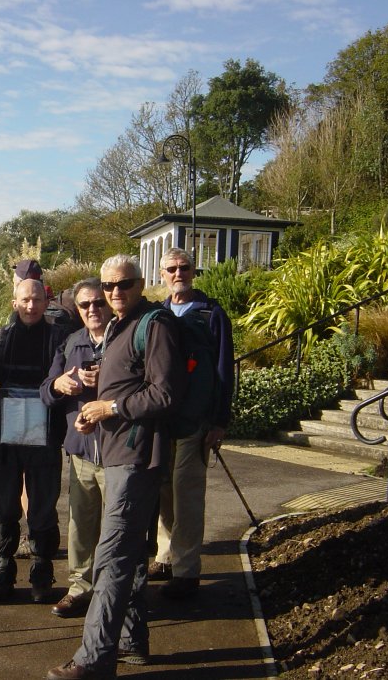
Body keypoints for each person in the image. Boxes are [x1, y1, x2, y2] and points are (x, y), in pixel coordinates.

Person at [48, 254, 187, 679]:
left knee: (111, 558)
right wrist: (93, 416)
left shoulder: (156, 325)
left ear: (141, 283)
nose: (114, 293)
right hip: (115, 451)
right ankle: (130, 642)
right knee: (125, 555)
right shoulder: (117, 327)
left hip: (139, 456)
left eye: (123, 284)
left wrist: (110, 407)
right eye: (108, 287)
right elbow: (121, 389)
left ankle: (93, 659)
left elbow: (165, 395)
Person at [0, 278, 71, 603]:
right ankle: (3, 569)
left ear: (46, 302)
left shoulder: (60, 339)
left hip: (45, 438)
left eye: (36, 300)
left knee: (43, 507)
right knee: (4, 506)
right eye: (24, 300)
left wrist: (59, 433)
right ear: (14, 302)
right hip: (4, 438)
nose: (30, 306)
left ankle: (42, 570)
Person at [148, 247, 234, 600]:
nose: (178, 273)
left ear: (194, 271)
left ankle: (186, 571)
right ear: (162, 274)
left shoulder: (212, 314)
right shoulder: (157, 314)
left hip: (195, 421)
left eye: (184, 267)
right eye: (172, 268)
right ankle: (165, 556)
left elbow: (224, 371)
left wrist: (219, 421)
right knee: (163, 491)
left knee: (187, 495)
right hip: (161, 421)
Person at [40, 278, 112, 619]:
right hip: (82, 452)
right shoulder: (72, 343)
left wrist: (106, 382)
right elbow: (45, 391)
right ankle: (79, 588)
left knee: (118, 530)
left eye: (98, 303)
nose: (93, 310)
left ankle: (113, 594)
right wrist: (59, 384)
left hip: (118, 453)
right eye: (85, 305)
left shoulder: (125, 340)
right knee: (81, 526)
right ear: (78, 309)